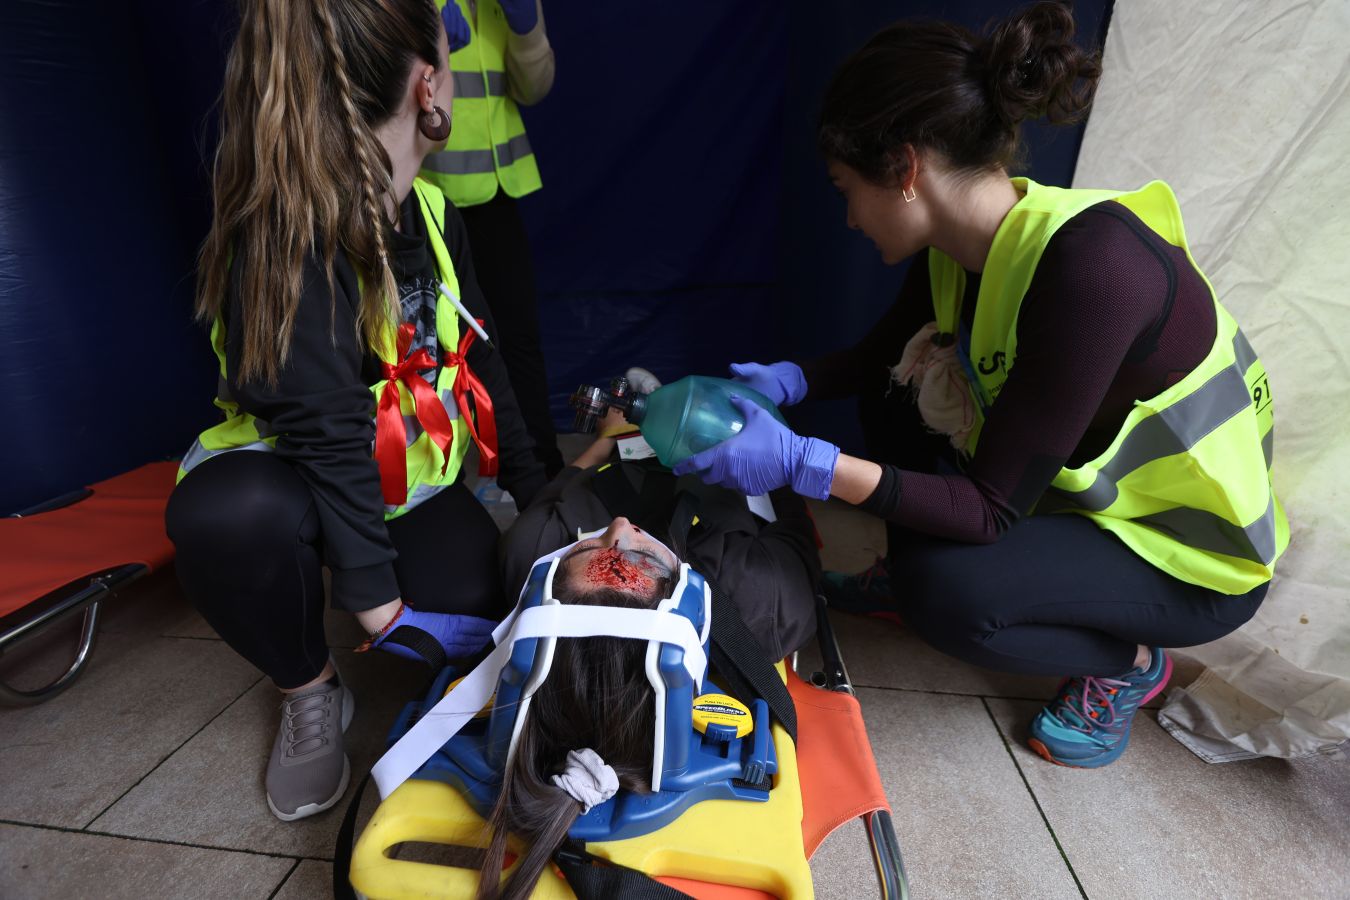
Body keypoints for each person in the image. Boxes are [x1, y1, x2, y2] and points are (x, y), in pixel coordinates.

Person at [677, 2, 1288, 769]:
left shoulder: (1096, 272)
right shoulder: (962, 243)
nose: (848, 220)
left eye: (845, 189)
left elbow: (990, 510)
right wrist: (787, 382)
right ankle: (920, 571)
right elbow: (879, 359)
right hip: (1077, 498)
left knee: (952, 596)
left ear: (903, 169)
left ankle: (1129, 663)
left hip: (1185, 555)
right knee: (899, 394)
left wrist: (805, 462)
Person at [165, 0, 548, 822]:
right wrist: (377, 602)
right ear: (427, 87)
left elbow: (482, 356)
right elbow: (327, 424)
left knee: (482, 604)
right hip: (294, 476)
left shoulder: (433, 215)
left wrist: (544, 495)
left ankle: (382, 584)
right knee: (228, 518)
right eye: (450, 50)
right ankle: (309, 686)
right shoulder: (285, 232)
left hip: (398, 483)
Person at [471, 410, 821, 898]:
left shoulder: (532, 550)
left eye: (592, 551)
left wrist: (602, 443)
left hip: (620, 450)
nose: (619, 527)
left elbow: (559, 489)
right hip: (727, 455)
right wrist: (782, 449)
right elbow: (797, 531)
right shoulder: (760, 600)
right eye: (638, 556)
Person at [421, 0, 565, 477]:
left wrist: (527, 31)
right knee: (431, 342)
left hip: (498, 190)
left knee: (517, 336)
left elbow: (534, 88)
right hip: (426, 191)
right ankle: (439, 474)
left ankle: (539, 465)